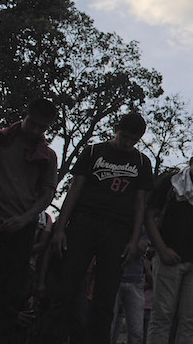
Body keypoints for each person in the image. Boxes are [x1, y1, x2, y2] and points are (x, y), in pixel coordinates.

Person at [43, 113, 153, 344]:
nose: (126, 143)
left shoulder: (142, 162)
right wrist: (61, 228)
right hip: (85, 222)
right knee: (66, 288)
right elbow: (74, 189)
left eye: (133, 139)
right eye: (124, 136)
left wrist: (134, 240)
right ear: (116, 129)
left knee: (105, 296)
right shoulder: (94, 151)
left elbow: (140, 203)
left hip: (117, 230)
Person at [0, 98, 58, 342]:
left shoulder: (47, 155)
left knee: (10, 295)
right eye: (33, 124)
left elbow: (47, 193)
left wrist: (26, 218)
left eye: (42, 127)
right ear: (24, 116)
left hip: (20, 230)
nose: (36, 130)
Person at [145, 146, 193, 344]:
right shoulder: (170, 183)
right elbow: (149, 216)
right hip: (170, 256)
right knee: (162, 315)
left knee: (191, 319)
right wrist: (161, 249)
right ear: (192, 162)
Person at [110, 229, 149, 344]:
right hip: (115, 279)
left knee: (136, 332)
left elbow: (141, 248)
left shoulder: (143, 225)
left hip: (134, 280)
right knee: (108, 329)